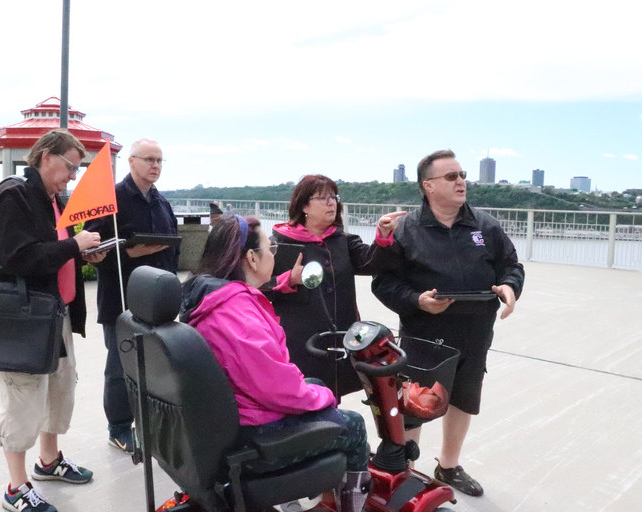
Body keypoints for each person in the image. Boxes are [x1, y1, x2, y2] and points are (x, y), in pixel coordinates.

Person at [179, 215, 371, 512]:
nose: (274, 255)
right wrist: (326, 397)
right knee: (354, 425)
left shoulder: (208, 296)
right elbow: (276, 388)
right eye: (270, 249)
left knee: (315, 386)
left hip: (228, 419)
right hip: (253, 435)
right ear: (252, 258)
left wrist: (315, 392)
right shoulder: (237, 313)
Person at [371, 149, 524, 497]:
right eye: (451, 176)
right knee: (414, 405)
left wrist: (510, 287)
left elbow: (511, 266)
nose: (461, 182)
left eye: (462, 175)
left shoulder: (485, 225)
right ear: (428, 186)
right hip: (425, 333)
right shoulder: (406, 229)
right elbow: (383, 282)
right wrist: (416, 301)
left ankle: (449, 465)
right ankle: (405, 473)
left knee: (464, 399)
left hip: (475, 331)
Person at [0, 129, 104, 512]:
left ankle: (48, 461)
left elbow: (52, 253)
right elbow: (16, 258)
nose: (73, 175)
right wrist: (74, 245)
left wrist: (83, 254)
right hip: (26, 320)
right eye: (70, 166)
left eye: (78, 169)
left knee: (59, 391)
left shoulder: (56, 201)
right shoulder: (14, 196)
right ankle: (15, 488)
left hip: (57, 313)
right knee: (23, 399)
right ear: (46, 157)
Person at [269, 174, 405, 399]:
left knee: (333, 394)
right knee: (301, 397)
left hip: (340, 333)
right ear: (304, 205)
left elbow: (369, 263)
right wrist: (288, 280)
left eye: (334, 197)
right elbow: (257, 286)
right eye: (323, 198)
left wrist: (383, 234)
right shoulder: (279, 242)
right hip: (299, 338)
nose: (332, 203)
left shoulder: (344, 240)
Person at [84, 138, 179, 454]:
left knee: (152, 366)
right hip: (120, 299)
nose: (155, 166)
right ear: (131, 161)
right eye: (149, 159)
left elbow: (172, 249)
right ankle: (119, 427)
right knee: (119, 367)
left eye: (160, 160)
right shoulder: (110, 200)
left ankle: (148, 423)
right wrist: (129, 252)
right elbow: (91, 250)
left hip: (158, 300)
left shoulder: (162, 203)